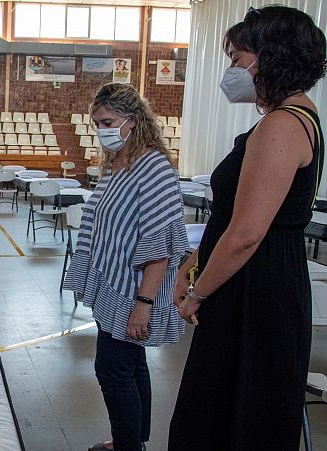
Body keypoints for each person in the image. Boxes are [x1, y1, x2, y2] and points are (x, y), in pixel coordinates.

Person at [169, 6, 326, 450]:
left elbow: (247, 232)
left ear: (270, 58)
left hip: (258, 286)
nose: (232, 70)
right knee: (220, 406)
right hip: (253, 278)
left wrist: (199, 293)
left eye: (238, 58)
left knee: (241, 413)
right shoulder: (290, 117)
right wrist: (196, 263)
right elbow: (234, 217)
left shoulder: (283, 124)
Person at [65, 83, 188, 451]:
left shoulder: (154, 167)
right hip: (112, 285)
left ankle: (127, 446)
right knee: (132, 364)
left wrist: (143, 304)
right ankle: (132, 440)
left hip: (134, 291)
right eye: (96, 122)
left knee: (113, 370)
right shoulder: (117, 165)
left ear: (132, 122)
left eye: (108, 121)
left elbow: (160, 243)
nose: (101, 130)